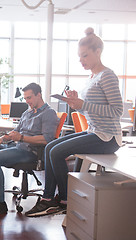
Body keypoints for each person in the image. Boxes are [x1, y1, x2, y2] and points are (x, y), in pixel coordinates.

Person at [25, 27, 123, 217]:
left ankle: (64, 199)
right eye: (79, 57)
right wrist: (76, 104)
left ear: (98, 52)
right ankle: (48, 199)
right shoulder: (92, 77)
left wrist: (83, 104)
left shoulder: (107, 76)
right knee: (49, 147)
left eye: (85, 56)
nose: (81, 60)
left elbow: (117, 111)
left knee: (56, 152)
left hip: (107, 137)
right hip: (94, 130)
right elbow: (90, 109)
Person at [0, 83, 58, 217]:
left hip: (30, 152)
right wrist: (4, 137)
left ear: (39, 94)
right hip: (15, 146)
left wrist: (22, 138)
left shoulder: (48, 113)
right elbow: (17, 131)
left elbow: (47, 139)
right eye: (25, 98)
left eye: (29, 98)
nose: (27, 101)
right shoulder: (27, 112)